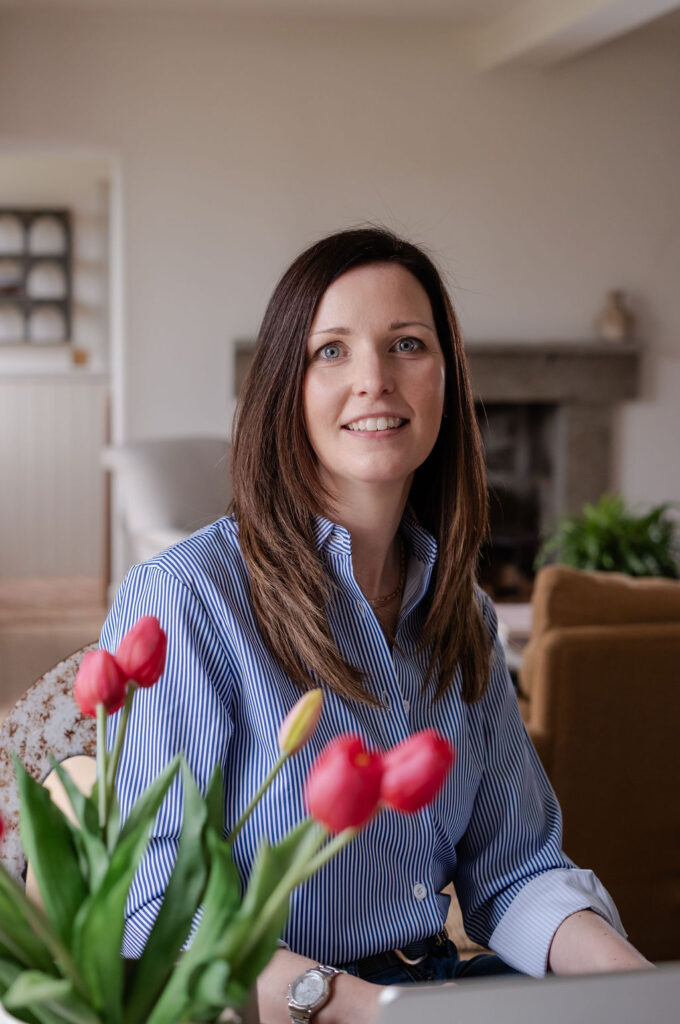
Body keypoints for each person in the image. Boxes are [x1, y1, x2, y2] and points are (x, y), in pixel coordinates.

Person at [101, 227, 652, 1024]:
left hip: (437, 988)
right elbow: (153, 907)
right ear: (283, 386)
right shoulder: (186, 599)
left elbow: (516, 869)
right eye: (332, 351)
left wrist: (633, 984)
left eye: (407, 344)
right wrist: (354, 1005)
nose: (374, 380)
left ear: (446, 381)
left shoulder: (461, 613)